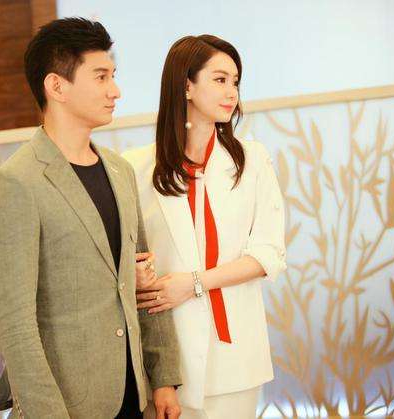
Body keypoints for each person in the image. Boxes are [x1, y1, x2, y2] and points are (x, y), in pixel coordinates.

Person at [0, 18, 182, 419]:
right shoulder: (16, 182)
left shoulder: (120, 171)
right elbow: (15, 323)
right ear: (56, 86)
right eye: (101, 76)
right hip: (68, 404)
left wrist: (163, 378)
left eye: (113, 76)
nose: (115, 90)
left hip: (134, 396)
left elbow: (143, 279)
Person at [123, 35, 286, 419]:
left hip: (236, 356)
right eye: (220, 79)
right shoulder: (135, 167)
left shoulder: (252, 160)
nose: (232, 92)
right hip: (167, 361)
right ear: (186, 86)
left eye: (235, 82)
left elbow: (268, 254)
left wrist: (194, 283)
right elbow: (131, 257)